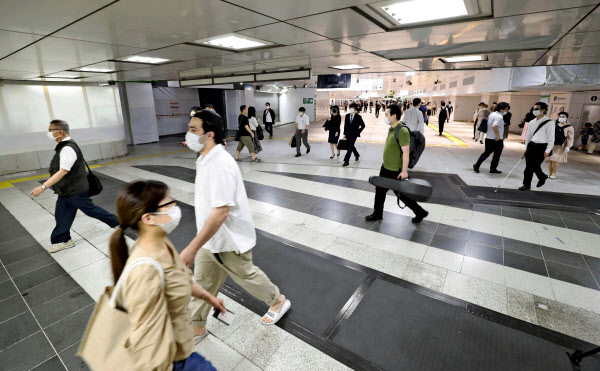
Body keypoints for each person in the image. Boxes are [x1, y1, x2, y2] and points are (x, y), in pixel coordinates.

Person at [180, 114, 291, 340]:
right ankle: (196, 325)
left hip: (229, 239)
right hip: (210, 238)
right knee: (203, 281)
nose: (188, 134)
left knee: (247, 277)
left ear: (208, 135)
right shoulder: (205, 157)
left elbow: (221, 212)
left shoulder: (221, 164)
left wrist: (191, 248)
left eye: (193, 130)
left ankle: (278, 301)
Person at [109, 180, 221, 369]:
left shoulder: (161, 243)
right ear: (148, 218)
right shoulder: (144, 271)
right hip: (168, 361)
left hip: (181, 347)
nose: (175, 207)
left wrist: (208, 297)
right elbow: (145, 339)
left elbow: (178, 279)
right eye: (168, 203)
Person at [30, 120, 119, 253]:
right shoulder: (64, 146)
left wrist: (42, 187)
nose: (49, 134)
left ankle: (118, 222)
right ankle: (65, 240)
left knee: (90, 210)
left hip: (74, 189)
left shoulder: (67, 148)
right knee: (62, 215)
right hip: (66, 190)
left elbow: (63, 171)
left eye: (50, 130)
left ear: (59, 132)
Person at [365, 104, 429, 223]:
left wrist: (404, 171)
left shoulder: (402, 130)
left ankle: (420, 212)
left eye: (387, 115)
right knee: (380, 191)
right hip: (386, 167)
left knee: (402, 195)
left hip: (395, 170)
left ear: (394, 116)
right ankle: (378, 214)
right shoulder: (392, 128)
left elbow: (406, 152)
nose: (385, 117)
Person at [519, 102, 555, 191]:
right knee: (528, 167)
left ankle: (542, 177)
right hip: (532, 145)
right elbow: (528, 135)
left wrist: (548, 150)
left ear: (543, 110)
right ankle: (527, 184)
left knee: (535, 165)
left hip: (542, 147)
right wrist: (526, 147)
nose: (534, 111)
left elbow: (551, 137)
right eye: (534, 109)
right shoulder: (532, 122)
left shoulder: (549, 122)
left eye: (537, 109)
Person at [473, 102, 510, 174]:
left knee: (486, 153)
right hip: (496, 140)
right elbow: (494, 126)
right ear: (501, 109)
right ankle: (493, 168)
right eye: (506, 109)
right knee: (497, 155)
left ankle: (477, 165)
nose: (507, 111)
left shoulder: (492, 114)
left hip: (489, 137)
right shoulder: (499, 117)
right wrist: (498, 136)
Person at [547, 111, 574, 178]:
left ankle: (554, 173)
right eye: (560, 117)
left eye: (563, 117)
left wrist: (568, 146)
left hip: (561, 145)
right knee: (549, 159)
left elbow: (570, 137)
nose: (561, 118)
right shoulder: (554, 124)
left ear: (567, 118)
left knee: (556, 160)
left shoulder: (569, 127)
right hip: (552, 144)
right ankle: (549, 173)